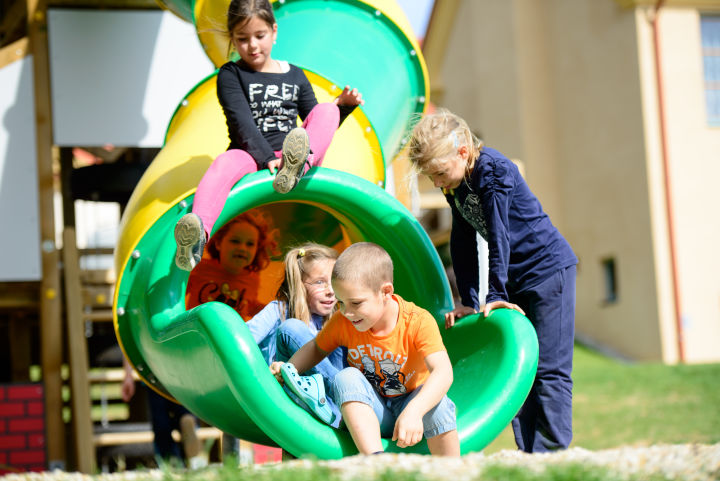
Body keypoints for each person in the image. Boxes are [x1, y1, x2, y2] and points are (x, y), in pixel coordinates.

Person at [406, 108, 578, 453]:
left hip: (547, 272)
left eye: (439, 173)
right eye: (431, 178)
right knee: (520, 366)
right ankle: (530, 454)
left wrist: (495, 293)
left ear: (463, 151)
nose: (438, 183)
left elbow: (500, 235)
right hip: (515, 278)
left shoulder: (493, 170)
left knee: (548, 370)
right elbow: (464, 238)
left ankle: (554, 455)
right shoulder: (455, 182)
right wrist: (470, 299)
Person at [174, 0, 364, 271]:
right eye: (242, 39)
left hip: (295, 153)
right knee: (224, 164)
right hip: (250, 154)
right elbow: (242, 124)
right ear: (233, 39)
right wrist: (265, 159)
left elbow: (316, 123)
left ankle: (299, 165)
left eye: (259, 36)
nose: (252, 45)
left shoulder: (295, 75)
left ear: (274, 31)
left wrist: (343, 108)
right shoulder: (231, 74)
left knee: (326, 109)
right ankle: (196, 236)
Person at [270, 242, 459, 456]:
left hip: (414, 407)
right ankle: (375, 463)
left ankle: (450, 469)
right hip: (373, 410)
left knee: (439, 405)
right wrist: (290, 369)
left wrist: (414, 411)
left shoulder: (416, 321)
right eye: (340, 302)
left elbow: (443, 372)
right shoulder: (345, 321)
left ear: (386, 292)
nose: (347, 312)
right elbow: (315, 348)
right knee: (347, 376)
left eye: (356, 303)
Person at [246, 243, 347, 426]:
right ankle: (347, 398)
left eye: (333, 282)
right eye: (319, 282)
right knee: (294, 329)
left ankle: (345, 409)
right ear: (300, 285)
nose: (330, 290)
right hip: (286, 393)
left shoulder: (332, 320)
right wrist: (262, 370)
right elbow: (243, 340)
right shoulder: (278, 311)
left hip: (327, 400)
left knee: (344, 327)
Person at [185, 210, 279, 320]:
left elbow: (249, 305)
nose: (242, 248)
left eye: (250, 244)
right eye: (235, 241)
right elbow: (178, 292)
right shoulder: (200, 268)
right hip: (198, 329)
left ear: (256, 249)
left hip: (228, 335)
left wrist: (275, 311)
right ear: (218, 243)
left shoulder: (252, 279)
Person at [121, 358, 207, 468]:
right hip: (180, 370)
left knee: (161, 425)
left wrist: (128, 375)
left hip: (153, 372)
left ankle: (172, 464)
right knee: (184, 415)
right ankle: (196, 461)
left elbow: (127, 342)